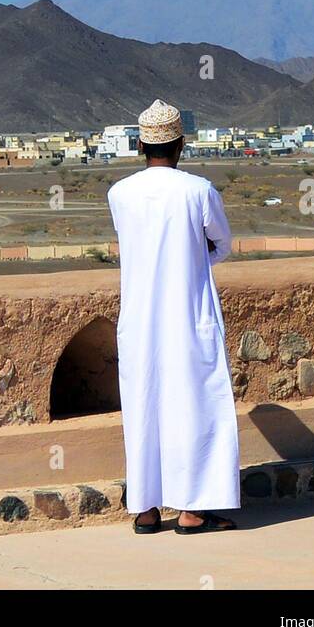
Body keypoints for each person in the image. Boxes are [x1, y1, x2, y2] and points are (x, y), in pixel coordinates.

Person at [107, 99, 240, 534]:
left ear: (140, 145)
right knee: (195, 407)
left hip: (140, 322)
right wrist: (192, 258)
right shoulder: (199, 191)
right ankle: (191, 510)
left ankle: (145, 510)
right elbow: (221, 244)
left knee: (143, 408)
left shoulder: (119, 193)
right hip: (189, 316)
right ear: (181, 144)